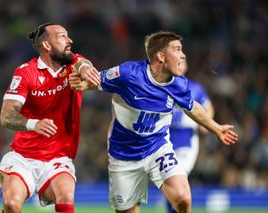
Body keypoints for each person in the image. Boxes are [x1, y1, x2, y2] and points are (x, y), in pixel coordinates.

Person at [69, 31, 238, 213]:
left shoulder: (178, 84)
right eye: (177, 49)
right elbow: (98, 79)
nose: (183, 55)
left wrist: (216, 128)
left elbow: (193, 107)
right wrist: (84, 83)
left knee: (183, 198)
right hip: (124, 154)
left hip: (157, 148)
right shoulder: (128, 73)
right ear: (161, 56)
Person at [0, 22, 100, 213]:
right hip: (23, 157)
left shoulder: (73, 65)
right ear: (47, 45)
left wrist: (86, 76)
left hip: (57, 159)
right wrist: (34, 124)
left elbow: (84, 65)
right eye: (62, 36)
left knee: (66, 196)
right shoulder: (26, 72)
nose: (70, 40)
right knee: (11, 203)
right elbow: (6, 116)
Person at [166, 62, 215, 213]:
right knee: (170, 183)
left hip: (186, 139)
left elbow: (209, 107)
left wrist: (206, 123)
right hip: (165, 138)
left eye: (183, 60)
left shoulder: (195, 88)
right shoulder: (162, 87)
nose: (179, 62)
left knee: (177, 180)